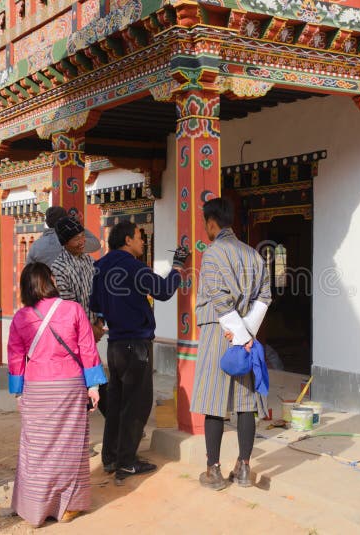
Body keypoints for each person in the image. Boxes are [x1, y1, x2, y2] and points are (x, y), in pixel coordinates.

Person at [7, 262, 107, 527]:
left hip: (36, 388)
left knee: (36, 449)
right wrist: (94, 386)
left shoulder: (20, 317)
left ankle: (35, 507)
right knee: (70, 448)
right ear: (51, 280)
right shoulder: (73, 310)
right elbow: (87, 348)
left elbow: (16, 356)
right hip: (69, 387)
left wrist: (18, 393)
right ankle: (67, 508)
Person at [91, 221, 190, 484]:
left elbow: (95, 303)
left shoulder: (99, 267)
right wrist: (178, 266)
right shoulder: (133, 266)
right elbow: (164, 290)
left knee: (116, 403)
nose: (142, 242)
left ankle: (111, 457)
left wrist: (101, 318)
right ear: (127, 240)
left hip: (114, 346)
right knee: (137, 403)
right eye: (139, 237)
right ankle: (126, 462)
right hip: (136, 344)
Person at [190, 197, 271, 491]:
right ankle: (245, 469)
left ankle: (213, 471)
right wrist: (248, 332)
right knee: (245, 403)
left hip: (218, 332)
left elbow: (219, 298)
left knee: (214, 402)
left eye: (205, 224)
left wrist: (238, 333)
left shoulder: (212, 254)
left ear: (211, 223)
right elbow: (265, 297)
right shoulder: (254, 255)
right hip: (245, 333)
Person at [50, 215, 108, 416]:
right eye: (76, 239)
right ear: (65, 243)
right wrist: (89, 329)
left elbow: (99, 292)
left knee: (94, 378)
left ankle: (116, 429)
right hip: (72, 337)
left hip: (92, 329)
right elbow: (69, 306)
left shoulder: (89, 261)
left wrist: (100, 321)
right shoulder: (58, 268)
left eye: (83, 236)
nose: (82, 242)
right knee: (85, 380)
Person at [27, 206, 100, 266]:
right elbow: (96, 244)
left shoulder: (35, 246)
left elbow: (28, 273)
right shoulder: (71, 240)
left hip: (47, 283)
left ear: (47, 222)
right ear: (66, 218)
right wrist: (76, 225)